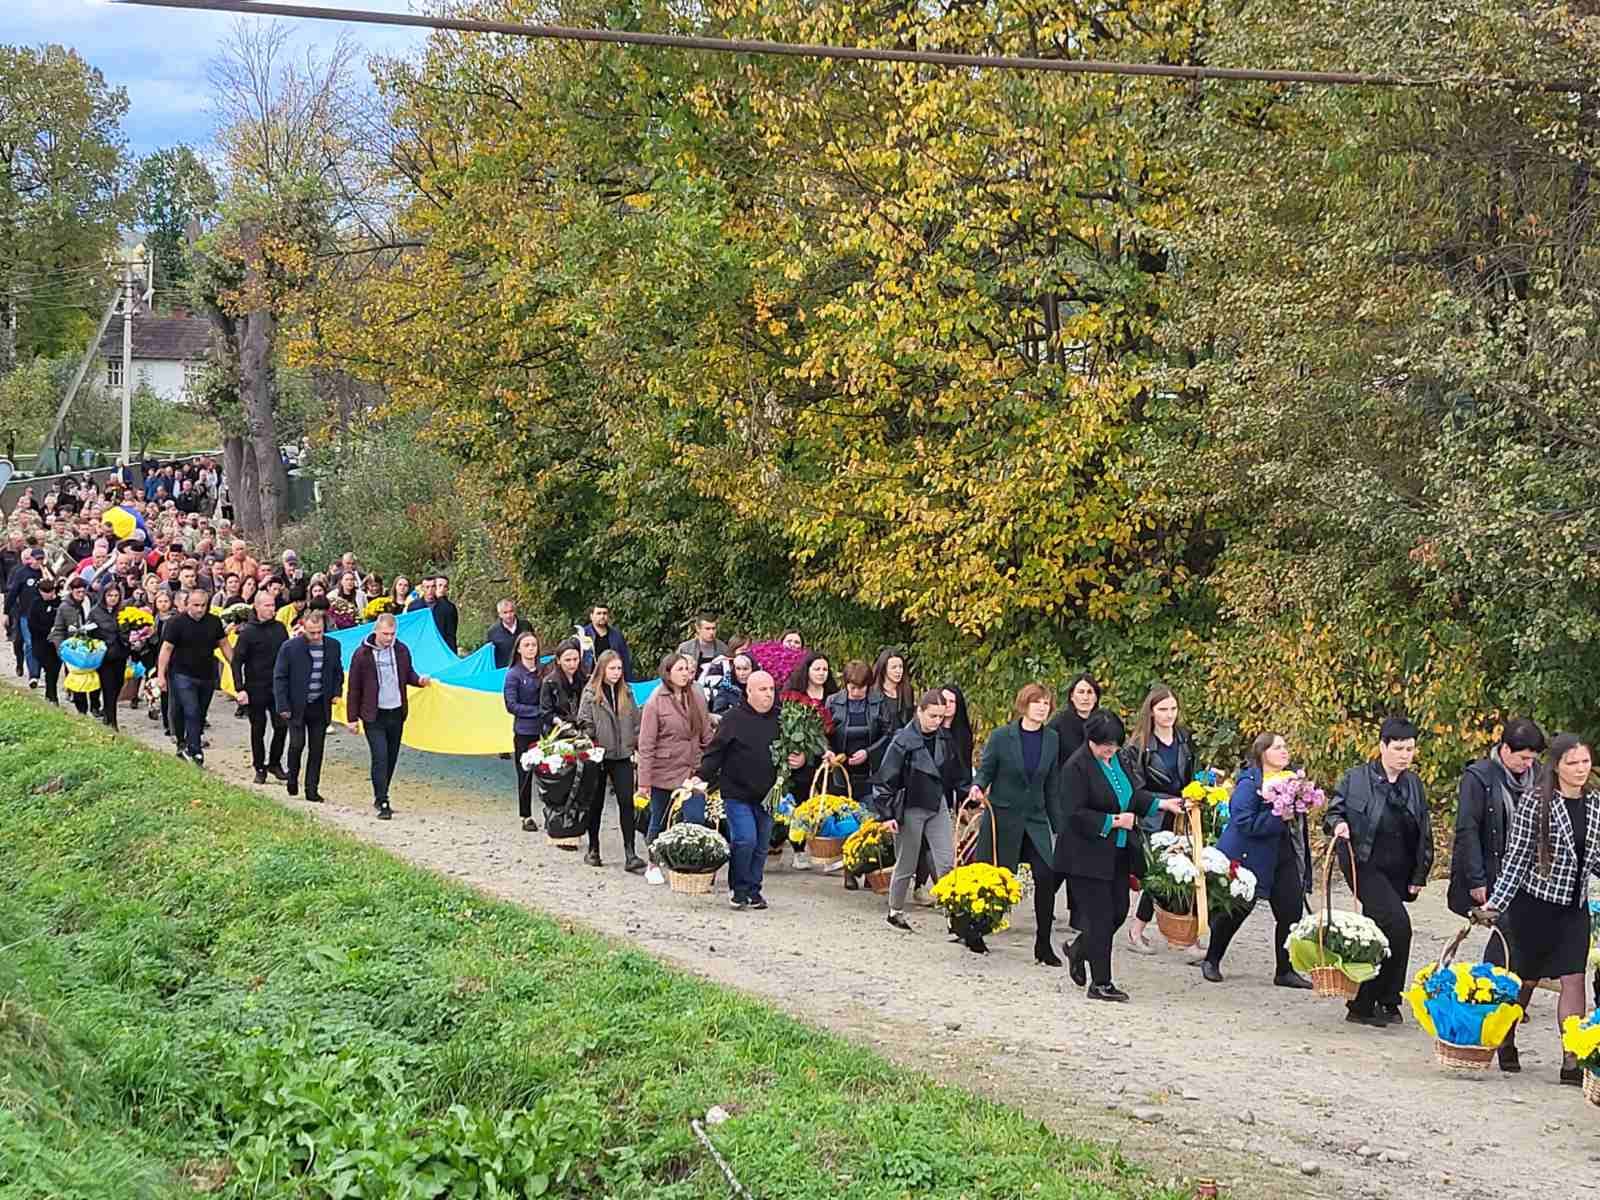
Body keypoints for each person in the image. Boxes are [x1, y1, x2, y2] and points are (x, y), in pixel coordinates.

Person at [1476, 733, 1600, 1079]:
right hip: (1532, 907)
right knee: (1524, 982)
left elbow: (1595, 857)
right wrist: (1495, 904)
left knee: (1573, 979)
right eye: (1572, 763)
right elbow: (1516, 859)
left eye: (1585, 762)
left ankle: (1572, 1059)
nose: (1580, 769)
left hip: (1573, 909)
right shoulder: (1536, 802)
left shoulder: (1596, 803)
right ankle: (1506, 1041)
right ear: (1557, 767)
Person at [1056, 710, 1185, 1000]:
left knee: (1116, 911)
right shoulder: (1076, 767)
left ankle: (1078, 949)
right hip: (1085, 854)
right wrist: (1113, 821)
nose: (1110, 750)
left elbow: (1132, 796)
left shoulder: (1117, 761)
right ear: (1092, 740)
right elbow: (1074, 814)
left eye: (1114, 745)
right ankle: (1100, 983)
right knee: (1100, 917)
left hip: (1118, 850)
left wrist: (1163, 806)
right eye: (1106, 745)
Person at [1325, 717, 1433, 1028]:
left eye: (1410, 749)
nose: (1405, 755)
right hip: (1363, 862)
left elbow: (1424, 831)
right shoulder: (1356, 778)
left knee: (1384, 929)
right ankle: (1375, 1000)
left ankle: (1373, 1002)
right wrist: (1339, 824)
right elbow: (1334, 811)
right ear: (1382, 747)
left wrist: (1419, 875)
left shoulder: (1413, 783)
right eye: (1398, 748)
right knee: (1397, 924)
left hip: (1399, 867)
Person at [1201, 732, 1314, 989]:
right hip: (1250, 855)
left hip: (1283, 853)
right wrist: (1279, 817)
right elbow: (1243, 822)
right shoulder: (1249, 783)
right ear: (1263, 753)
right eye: (1277, 748)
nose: (1284, 752)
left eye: (1285, 747)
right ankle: (1212, 958)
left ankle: (1285, 970)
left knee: (1291, 910)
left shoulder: (1293, 780)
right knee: (1238, 909)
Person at [973, 683, 1066, 965]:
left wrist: (1059, 825)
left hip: (1035, 818)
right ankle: (975, 930)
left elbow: (1051, 784)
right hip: (1002, 816)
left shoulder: (1052, 739)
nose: (1042, 707)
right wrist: (978, 787)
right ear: (1024, 705)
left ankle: (1043, 945)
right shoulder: (1002, 737)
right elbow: (986, 769)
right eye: (1036, 702)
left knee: (1046, 876)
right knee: (993, 877)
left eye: (1046, 703)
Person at [874, 690, 973, 941]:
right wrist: (886, 814)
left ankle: (954, 917)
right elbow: (885, 779)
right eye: (932, 716)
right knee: (906, 862)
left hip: (936, 803)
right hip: (910, 806)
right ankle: (895, 910)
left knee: (946, 861)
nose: (937, 721)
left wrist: (968, 793)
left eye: (940, 716)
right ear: (919, 711)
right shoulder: (902, 741)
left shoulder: (945, 738)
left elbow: (957, 773)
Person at [694, 669, 785, 910]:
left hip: (768, 794)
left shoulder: (781, 718)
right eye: (763, 690)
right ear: (749, 691)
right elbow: (715, 752)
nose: (768, 695)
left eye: (772, 690)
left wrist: (799, 759)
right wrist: (700, 776)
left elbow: (792, 751)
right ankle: (738, 887)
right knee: (745, 839)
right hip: (737, 792)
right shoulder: (733, 719)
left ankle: (754, 890)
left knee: (762, 844)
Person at [1122, 685, 1197, 955]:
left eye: (1173, 709)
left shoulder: (1184, 738)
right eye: (1163, 709)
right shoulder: (1138, 746)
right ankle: (1138, 929)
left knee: (1188, 870)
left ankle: (1185, 935)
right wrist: (1162, 804)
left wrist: (1194, 795)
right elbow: (1135, 788)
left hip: (1184, 812)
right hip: (1154, 813)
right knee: (1159, 874)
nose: (1169, 715)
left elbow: (1192, 774)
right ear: (1151, 712)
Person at [1449, 718, 1545, 918]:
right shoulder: (1478, 777)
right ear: (1506, 749)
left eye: (1532, 759)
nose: (1528, 764)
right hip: (1494, 866)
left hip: (1528, 869)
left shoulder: (1538, 774)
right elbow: (1468, 829)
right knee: (1508, 929)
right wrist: (1476, 879)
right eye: (1523, 758)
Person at [346, 611, 432, 820]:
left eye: (392, 634)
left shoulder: (401, 650)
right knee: (380, 756)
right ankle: (382, 800)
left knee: (391, 757)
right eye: (385, 634)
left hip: (396, 711)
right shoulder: (362, 655)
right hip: (373, 714)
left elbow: (407, 673)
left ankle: (382, 792)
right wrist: (351, 718)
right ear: (376, 631)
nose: (389, 638)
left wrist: (419, 680)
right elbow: (354, 688)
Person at [637, 652, 713, 883]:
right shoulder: (655, 701)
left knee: (696, 818)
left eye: (687, 669)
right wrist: (644, 781)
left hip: (692, 770)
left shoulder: (697, 696)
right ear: (668, 673)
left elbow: (706, 732)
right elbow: (646, 744)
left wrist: (712, 760)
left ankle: (688, 865)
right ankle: (653, 863)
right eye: (679, 669)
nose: (685, 673)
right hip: (664, 769)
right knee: (658, 819)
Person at [576, 649, 644, 872]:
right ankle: (593, 848)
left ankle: (630, 852)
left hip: (622, 754)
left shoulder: (628, 692)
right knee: (596, 802)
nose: (616, 673)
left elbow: (635, 720)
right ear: (603, 669)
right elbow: (583, 721)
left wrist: (635, 743)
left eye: (619, 669)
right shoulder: (590, 693)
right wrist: (592, 741)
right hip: (599, 754)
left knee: (626, 801)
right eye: (612, 668)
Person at [273, 607, 344, 803]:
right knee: (297, 744)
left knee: (317, 747)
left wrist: (336, 692)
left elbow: (338, 672)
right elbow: (280, 677)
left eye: (319, 632)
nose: (315, 636)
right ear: (303, 628)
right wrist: (283, 705)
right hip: (296, 705)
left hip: (319, 704)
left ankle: (312, 788)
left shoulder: (333, 646)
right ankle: (292, 777)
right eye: (311, 632)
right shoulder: (290, 647)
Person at [157, 588, 230, 766]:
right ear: (187, 604)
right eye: (196, 605)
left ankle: (187, 741)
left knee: (200, 712)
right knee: (191, 710)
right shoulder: (176, 623)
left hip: (206, 674)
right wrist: (161, 675)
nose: (199, 609)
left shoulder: (213, 622)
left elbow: (224, 645)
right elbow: (166, 649)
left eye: (203, 605)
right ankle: (194, 749)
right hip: (182, 673)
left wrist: (237, 667)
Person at [233, 590, 290, 784]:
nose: (271, 609)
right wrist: (239, 688)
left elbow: (288, 656)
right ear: (256, 607)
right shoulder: (248, 632)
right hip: (255, 687)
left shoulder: (280, 628)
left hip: (278, 686)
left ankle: (274, 762)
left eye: (273, 605)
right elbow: (236, 661)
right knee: (258, 728)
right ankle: (259, 766)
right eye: (267, 605)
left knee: (281, 726)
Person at [502, 630, 543, 832]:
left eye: (533, 645)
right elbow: (511, 705)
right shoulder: (513, 674)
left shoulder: (543, 671)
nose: (530, 649)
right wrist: (537, 711)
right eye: (526, 645)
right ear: (519, 649)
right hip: (525, 730)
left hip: (545, 730)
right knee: (525, 774)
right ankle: (525, 814)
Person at [86, 581, 129, 728]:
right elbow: (89, 634)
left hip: (121, 655)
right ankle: (112, 720)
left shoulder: (123, 611)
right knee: (108, 688)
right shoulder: (95, 612)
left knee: (118, 685)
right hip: (104, 657)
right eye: (110, 595)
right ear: (103, 595)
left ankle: (108, 711)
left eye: (116, 595)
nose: (113, 598)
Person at [4, 546, 44, 687]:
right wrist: (6, 613)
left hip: (43, 615)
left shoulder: (45, 573)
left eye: (41, 559)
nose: (39, 562)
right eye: (37, 559)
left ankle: (41, 670)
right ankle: (34, 675)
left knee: (42, 644)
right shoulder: (22, 573)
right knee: (30, 644)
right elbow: (13, 593)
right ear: (31, 559)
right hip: (26, 614)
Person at [1048, 672, 1101, 764]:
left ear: (1096, 698)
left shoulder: (1103, 722)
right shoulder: (1058, 724)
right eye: (1081, 692)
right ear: (1072, 696)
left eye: (1090, 692)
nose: (1085, 697)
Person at [539, 638, 587, 732]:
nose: (572, 664)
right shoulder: (549, 682)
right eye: (567, 660)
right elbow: (545, 712)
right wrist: (558, 721)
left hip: (582, 728)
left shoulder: (584, 679)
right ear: (558, 660)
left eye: (575, 659)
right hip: (558, 730)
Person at [26, 576, 61, 704]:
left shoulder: (59, 603)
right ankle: (51, 695)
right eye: (45, 592)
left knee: (54, 670)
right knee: (48, 667)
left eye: (50, 591)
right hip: (41, 641)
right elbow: (32, 624)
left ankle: (51, 694)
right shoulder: (36, 603)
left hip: (56, 643)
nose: (48, 594)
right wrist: (47, 631)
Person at [580, 602, 634, 680]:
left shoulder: (617, 635)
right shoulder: (583, 634)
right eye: (598, 613)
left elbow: (625, 659)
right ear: (591, 616)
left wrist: (628, 680)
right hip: (589, 679)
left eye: (604, 613)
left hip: (612, 678)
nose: (602, 616)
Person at [869, 648, 916, 732]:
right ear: (884, 669)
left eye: (900, 667)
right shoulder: (873, 693)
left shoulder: (908, 691)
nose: (898, 671)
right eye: (893, 667)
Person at [486, 599, 533, 669]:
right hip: (505, 673)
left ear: (515, 611)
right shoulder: (492, 632)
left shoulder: (525, 626)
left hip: (527, 668)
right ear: (500, 614)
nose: (508, 615)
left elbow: (534, 644)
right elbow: (489, 656)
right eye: (505, 613)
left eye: (511, 611)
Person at [677, 614, 728, 678]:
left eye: (713, 628)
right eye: (707, 629)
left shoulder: (723, 648)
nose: (711, 632)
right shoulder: (685, 648)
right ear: (698, 629)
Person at [710, 651, 755, 716]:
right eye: (738, 669)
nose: (741, 673)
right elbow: (718, 713)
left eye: (745, 669)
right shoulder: (726, 687)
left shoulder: (760, 685)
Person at [431, 574, 460, 653]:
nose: (442, 589)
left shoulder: (450, 607)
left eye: (445, 586)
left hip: (446, 646)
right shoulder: (424, 604)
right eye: (439, 585)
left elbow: (451, 631)